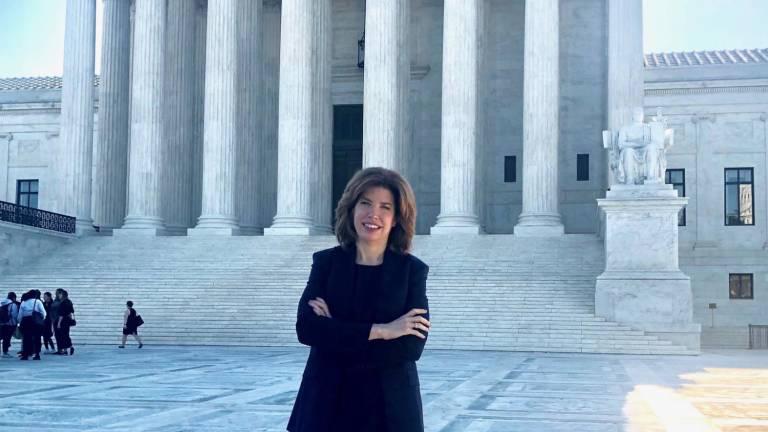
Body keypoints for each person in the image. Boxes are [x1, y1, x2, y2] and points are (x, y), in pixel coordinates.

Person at [287, 167, 431, 432]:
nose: (373, 214)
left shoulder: (412, 271)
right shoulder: (326, 263)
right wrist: (383, 330)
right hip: (327, 405)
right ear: (351, 209)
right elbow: (306, 329)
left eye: (385, 207)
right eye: (365, 203)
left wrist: (335, 331)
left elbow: (410, 348)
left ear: (397, 217)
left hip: (389, 410)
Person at [17, 290, 46, 360]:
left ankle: (26, 354)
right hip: (35, 322)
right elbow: (44, 312)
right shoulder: (38, 301)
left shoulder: (24, 302)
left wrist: (19, 321)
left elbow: (20, 314)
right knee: (37, 338)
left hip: (26, 321)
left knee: (26, 338)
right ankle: (37, 354)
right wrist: (42, 319)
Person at [54, 289, 75, 356]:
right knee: (66, 334)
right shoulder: (69, 302)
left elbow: (61, 315)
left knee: (63, 335)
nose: (59, 295)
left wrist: (59, 323)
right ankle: (68, 348)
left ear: (63, 295)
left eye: (60, 294)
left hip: (63, 321)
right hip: (67, 321)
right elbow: (71, 312)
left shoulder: (63, 303)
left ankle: (68, 348)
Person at [0, 292, 19, 358]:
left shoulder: (2, 303)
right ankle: (5, 352)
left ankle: (5, 351)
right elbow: (15, 315)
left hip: (2, 323)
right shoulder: (13, 305)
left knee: (3, 337)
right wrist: (17, 321)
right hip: (10, 324)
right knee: (7, 338)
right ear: (13, 298)